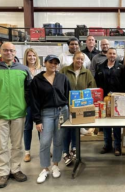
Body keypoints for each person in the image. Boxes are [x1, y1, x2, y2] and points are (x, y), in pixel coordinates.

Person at [0, 42, 31, 188]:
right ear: (0, 51)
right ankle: (3, 172)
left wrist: (26, 104)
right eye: (5, 50)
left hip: (18, 112)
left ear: (15, 52)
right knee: (1, 145)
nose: (8, 53)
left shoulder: (23, 69)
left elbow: (29, 89)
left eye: (11, 50)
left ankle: (15, 169)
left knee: (17, 144)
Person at [30, 55, 70, 184]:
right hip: (46, 113)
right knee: (45, 141)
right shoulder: (37, 80)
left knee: (58, 140)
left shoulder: (62, 78)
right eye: (50, 62)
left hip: (62, 112)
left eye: (55, 63)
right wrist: (37, 120)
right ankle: (45, 168)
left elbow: (69, 94)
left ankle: (56, 165)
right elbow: (34, 101)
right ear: (45, 63)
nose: (53, 65)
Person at [59, 51, 96, 166]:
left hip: (80, 106)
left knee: (76, 128)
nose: (79, 61)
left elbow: (92, 88)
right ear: (73, 59)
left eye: (81, 59)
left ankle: (74, 149)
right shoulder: (64, 71)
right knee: (65, 130)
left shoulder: (87, 73)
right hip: (65, 105)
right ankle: (65, 152)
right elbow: (59, 86)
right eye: (77, 58)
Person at [95, 48, 125, 156]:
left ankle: (117, 146)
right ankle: (107, 145)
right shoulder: (100, 67)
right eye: (110, 53)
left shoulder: (121, 67)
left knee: (117, 123)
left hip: (118, 99)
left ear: (116, 55)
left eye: (114, 53)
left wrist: (123, 97)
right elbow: (97, 82)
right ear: (107, 55)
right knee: (105, 123)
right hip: (104, 99)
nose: (112, 55)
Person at [22, 48, 42, 162]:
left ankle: (44, 149)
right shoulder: (23, 70)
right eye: (29, 56)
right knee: (27, 127)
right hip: (28, 103)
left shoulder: (41, 70)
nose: (32, 58)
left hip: (40, 103)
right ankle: (27, 152)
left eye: (34, 55)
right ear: (26, 57)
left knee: (41, 127)